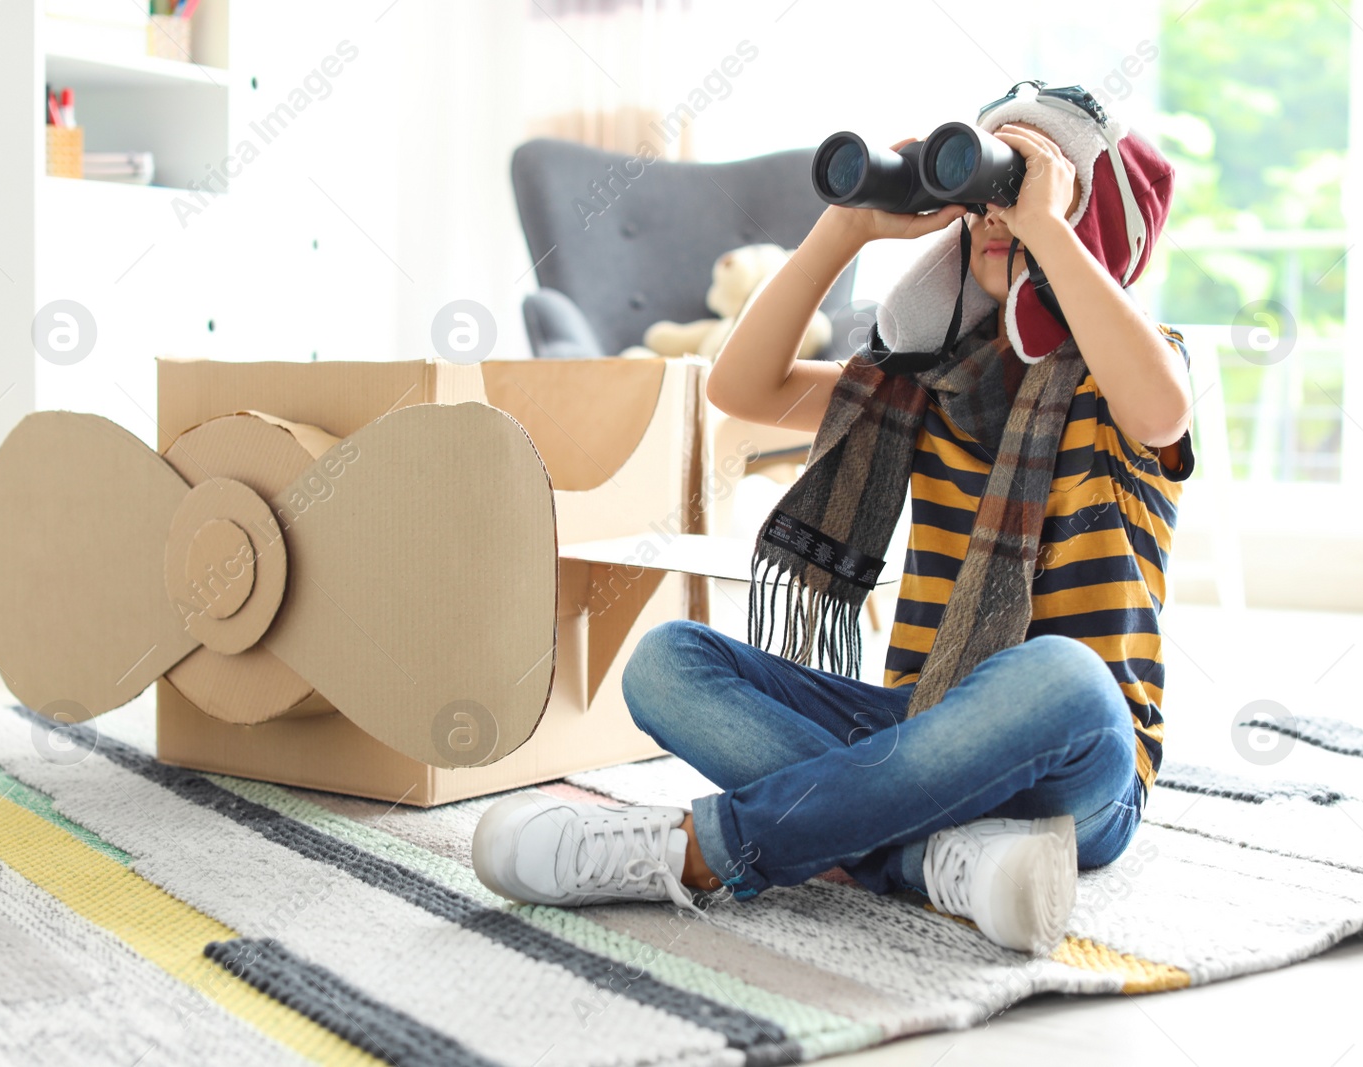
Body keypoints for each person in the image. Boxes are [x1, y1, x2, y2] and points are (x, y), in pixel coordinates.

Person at [472, 83, 1193, 956]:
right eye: (986, 197)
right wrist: (845, 228)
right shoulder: (921, 387)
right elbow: (741, 389)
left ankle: (696, 848)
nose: (994, 215)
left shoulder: (1128, 386)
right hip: (916, 730)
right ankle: (937, 858)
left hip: (1080, 767)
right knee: (666, 663)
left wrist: (1047, 223)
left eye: (1020, 186)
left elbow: (1159, 410)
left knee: (1062, 675)